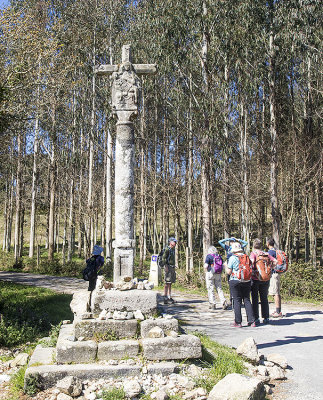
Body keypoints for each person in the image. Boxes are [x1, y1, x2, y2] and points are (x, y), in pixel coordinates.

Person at [225, 242, 255, 327]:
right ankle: (252, 321)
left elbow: (229, 272)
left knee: (237, 300)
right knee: (247, 299)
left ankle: (238, 322)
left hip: (235, 281)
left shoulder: (232, 258)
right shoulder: (246, 257)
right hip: (247, 281)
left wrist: (225, 266)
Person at [250, 238, 276, 325]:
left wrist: (252, 271)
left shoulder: (253, 254)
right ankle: (266, 318)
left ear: (253, 245)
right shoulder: (266, 254)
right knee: (264, 298)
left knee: (255, 298)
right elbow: (275, 261)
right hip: (266, 278)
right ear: (261, 245)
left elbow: (251, 263)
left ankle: (256, 318)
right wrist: (270, 268)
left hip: (255, 278)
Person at [218, 237, 248, 306]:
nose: (232, 243)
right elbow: (220, 241)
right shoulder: (228, 248)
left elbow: (246, 243)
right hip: (230, 268)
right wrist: (227, 239)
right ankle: (232, 299)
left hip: (239, 268)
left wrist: (238, 240)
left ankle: (239, 299)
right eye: (231, 241)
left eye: (233, 241)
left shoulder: (239, 247)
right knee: (231, 285)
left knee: (239, 284)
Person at [204, 246, 228, 310]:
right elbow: (223, 265)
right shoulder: (219, 256)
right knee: (219, 288)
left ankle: (213, 303)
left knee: (210, 288)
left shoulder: (209, 256)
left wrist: (205, 269)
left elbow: (206, 265)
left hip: (210, 273)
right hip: (218, 274)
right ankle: (223, 302)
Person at [267, 238, 283, 318]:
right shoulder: (276, 251)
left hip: (273, 274)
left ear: (268, 244)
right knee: (277, 292)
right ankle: (278, 310)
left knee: (275, 293)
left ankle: (278, 312)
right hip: (277, 273)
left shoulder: (270, 252)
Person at [162, 237, 177, 304]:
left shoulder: (172, 249)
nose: (175, 243)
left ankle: (169, 296)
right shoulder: (167, 249)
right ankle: (165, 297)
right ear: (171, 242)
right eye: (174, 242)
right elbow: (164, 258)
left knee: (170, 283)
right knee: (167, 282)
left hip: (172, 267)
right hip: (168, 267)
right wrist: (166, 266)